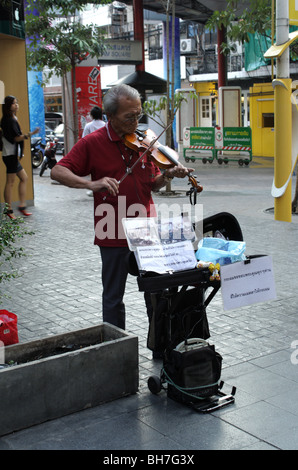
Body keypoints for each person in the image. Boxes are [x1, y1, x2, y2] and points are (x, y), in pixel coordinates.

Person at [51, 84, 193, 330]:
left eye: (138, 115)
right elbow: (57, 170)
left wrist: (168, 175)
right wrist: (92, 184)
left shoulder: (144, 142)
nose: (135, 122)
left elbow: (152, 185)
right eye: (129, 117)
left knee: (156, 292)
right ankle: (116, 347)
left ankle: (159, 344)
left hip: (146, 228)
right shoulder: (92, 143)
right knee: (113, 297)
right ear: (110, 116)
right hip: (112, 230)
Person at [1, 95, 39, 219]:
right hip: (10, 154)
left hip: (11, 154)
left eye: (16, 102)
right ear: (8, 106)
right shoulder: (8, 120)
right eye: (13, 103)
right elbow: (15, 138)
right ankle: (9, 209)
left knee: (24, 178)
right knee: (10, 182)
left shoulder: (12, 118)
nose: (16, 105)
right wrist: (30, 134)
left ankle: (21, 206)